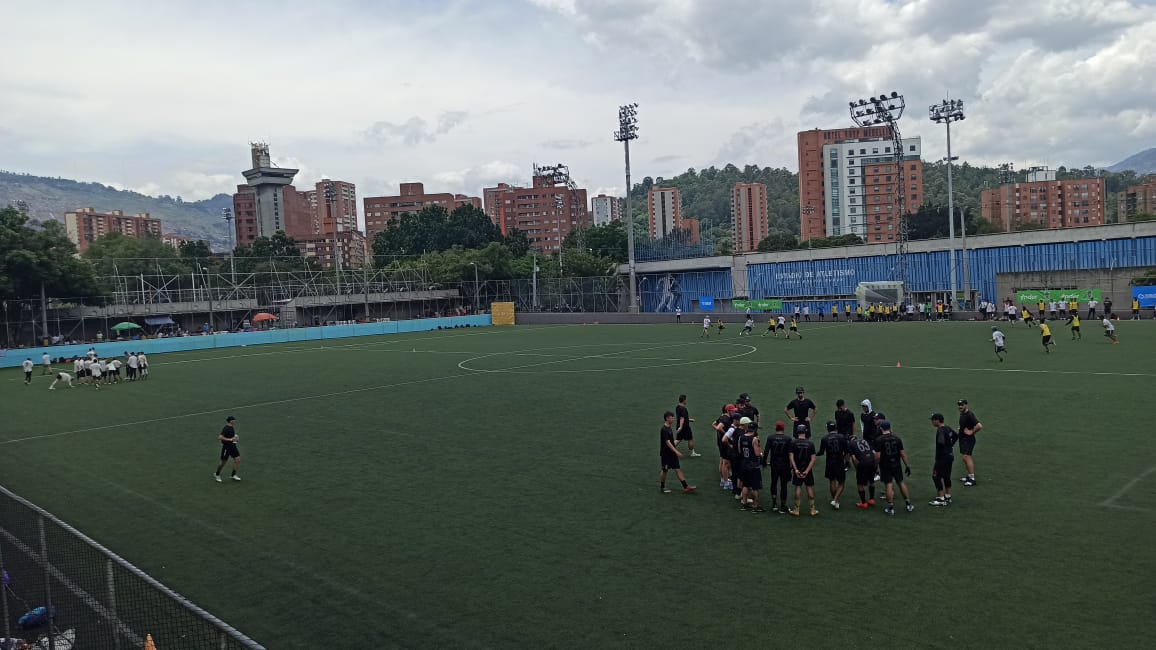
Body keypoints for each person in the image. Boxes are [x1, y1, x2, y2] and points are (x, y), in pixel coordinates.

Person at [872, 420, 913, 515]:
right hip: (896, 464)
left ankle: (890, 507)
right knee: (901, 482)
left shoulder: (879, 440)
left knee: (888, 484)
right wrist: (907, 465)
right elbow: (903, 454)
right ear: (890, 428)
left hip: (885, 465)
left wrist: (875, 466)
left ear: (881, 428)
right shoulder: (897, 439)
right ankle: (908, 503)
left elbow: (877, 456)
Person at [761, 421, 793, 514]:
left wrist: (763, 462)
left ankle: (774, 504)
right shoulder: (788, 439)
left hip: (774, 464)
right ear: (783, 428)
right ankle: (783, 506)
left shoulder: (771, 438)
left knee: (774, 483)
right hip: (785, 465)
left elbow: (766, 451)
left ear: (776, 428)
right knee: (784, 485)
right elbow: (790, 453)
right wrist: (792, 466)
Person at [788, 424, 818, 517]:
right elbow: (813, 459)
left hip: (798, 468)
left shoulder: (793, 443)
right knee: (809, 487)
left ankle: (796, 510)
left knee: (798, 487)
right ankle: (812, 510)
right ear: (805, 431)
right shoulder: (810, 443)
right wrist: (807, 470)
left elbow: (791, 457)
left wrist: (795, 469)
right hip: (807, 469)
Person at [817, 421, 848, 510]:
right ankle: (835, 500)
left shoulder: (824, 438)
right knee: (841, 482)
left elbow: (821, 452)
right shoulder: (841, 437)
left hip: (830, 461)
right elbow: (846, 451)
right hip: (839, 461)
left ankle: (835, 500)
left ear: (827, 428)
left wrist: (814, 454)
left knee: (832, 481)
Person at [929, 413, 957, 507]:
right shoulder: (948, 428)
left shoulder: (940, 430)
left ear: (937, 420)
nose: (932, 422)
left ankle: (941, 499)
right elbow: (956, 436)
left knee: (935, 476)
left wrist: (941, 451)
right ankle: (948, 496)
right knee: (946, 476)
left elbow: (941, 442)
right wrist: (950, 445)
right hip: (950, 455)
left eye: (933, 420)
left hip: (942, 458)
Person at [847, 427, 877, 508]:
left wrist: (857, 467)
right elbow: (874, 453)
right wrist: (875, 464)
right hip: (871, 461)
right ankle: (871, 499)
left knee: (860, 484)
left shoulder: (850, 444)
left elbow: (853, 458)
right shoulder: (865, 440)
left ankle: (863, 503)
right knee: (871, 480)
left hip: (863, 463)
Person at [737, 422, 763, 512]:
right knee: (755, 487)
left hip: (744, 464)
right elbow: (757, 453)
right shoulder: (754, 439)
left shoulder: (741, 437)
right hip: (753, 466)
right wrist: (760, 451)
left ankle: (744, 504)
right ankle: (755, 506)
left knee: (745, 485)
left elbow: (740, 450)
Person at [957, 399, 982, 486]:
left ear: (966, 405)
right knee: (964, 458)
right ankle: (969, 476)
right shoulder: (963, 414)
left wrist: (971, 432)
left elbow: (979, 426)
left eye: (962, 405)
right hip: (963, 439)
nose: (960, 406)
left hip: (968, 440)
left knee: (966, 457)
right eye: (959, 405)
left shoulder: (969, 415)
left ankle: (972, 479)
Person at [714, 404, 738, 489]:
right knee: (725, 463)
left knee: (722, 461)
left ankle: (723, 480)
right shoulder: (726, 419)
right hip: (724, 444)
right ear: (728, 411)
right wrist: (727, 435)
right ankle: (726, 482)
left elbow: (714, 424)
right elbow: (718, 428)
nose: (734, 411)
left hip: (721, 443)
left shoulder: (722, 417)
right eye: (733, 410)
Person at [215, 416, 242, 482]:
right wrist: (230, 439)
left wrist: (235, 439)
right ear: (230, 421)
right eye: (234, 420)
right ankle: (217, 474)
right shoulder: (226, 428)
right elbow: (220, 437)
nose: (235, 421)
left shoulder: (231, 427)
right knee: (223, 462)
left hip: (233, 446)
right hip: (226, 447)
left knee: (238, 460)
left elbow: (231, 437)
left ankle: (233, 475)